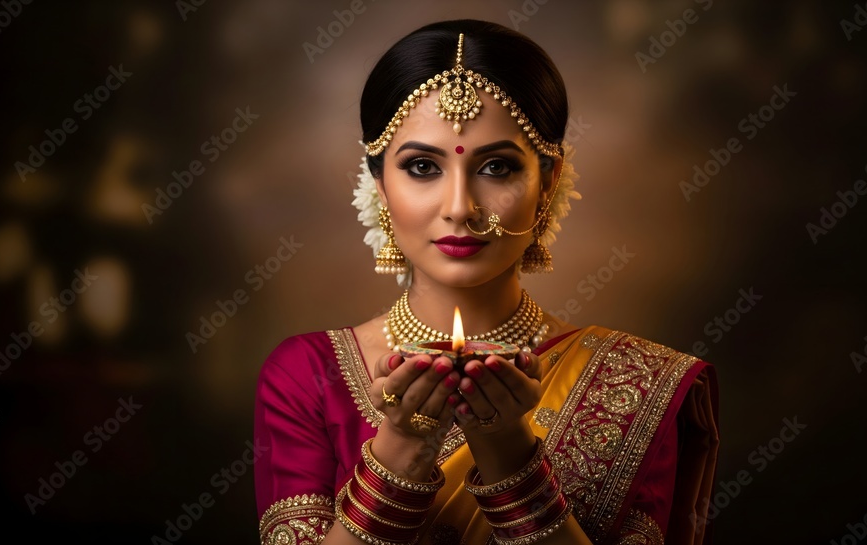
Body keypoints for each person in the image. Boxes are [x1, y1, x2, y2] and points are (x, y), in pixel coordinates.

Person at [254, 19, 719, 545]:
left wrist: (507, 451)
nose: (460, 209)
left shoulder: (635, 384)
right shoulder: (307, 376)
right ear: (379, 184)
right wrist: (403, 445)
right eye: (423, 167)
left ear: (548, 182)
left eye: (497, 167)